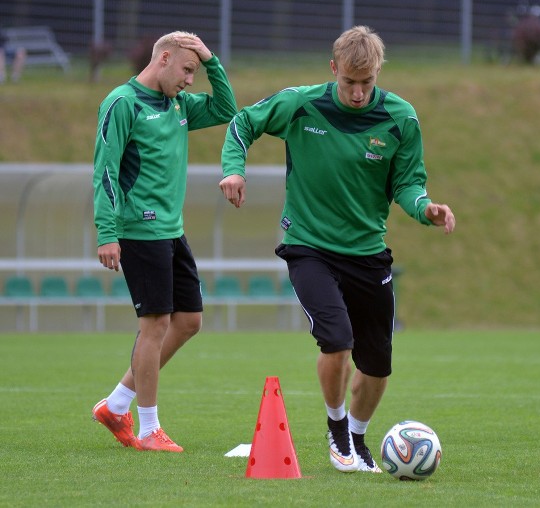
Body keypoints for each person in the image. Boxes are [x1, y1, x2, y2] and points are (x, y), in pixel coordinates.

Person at [219, 26, 456, 473]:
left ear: (379, 74)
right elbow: (243, 123)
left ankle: (359, 438)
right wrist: (234, 170)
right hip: (309, 246)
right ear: (334, 69)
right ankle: (338, 431)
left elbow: (407, 183)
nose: (358, 93)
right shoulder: (302, 103)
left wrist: (426, 208)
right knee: (336, 342)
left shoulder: (401, 118)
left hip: (368, 251)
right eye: (349, 82)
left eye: (367, 83)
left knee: (378, 365)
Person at [91, 31, 237, 452]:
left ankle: (116, 404)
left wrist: (211, 60)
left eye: (196, 72)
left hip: (172, 230)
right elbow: (104, 171)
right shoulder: (121, 102)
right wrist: (107, 233)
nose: (191, 80)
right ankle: (148, 427)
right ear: (165, 58)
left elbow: (226, 108)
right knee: (154, 325)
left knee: (189, 321)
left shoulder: (178, 105)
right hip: (139, 230)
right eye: (187, 70)